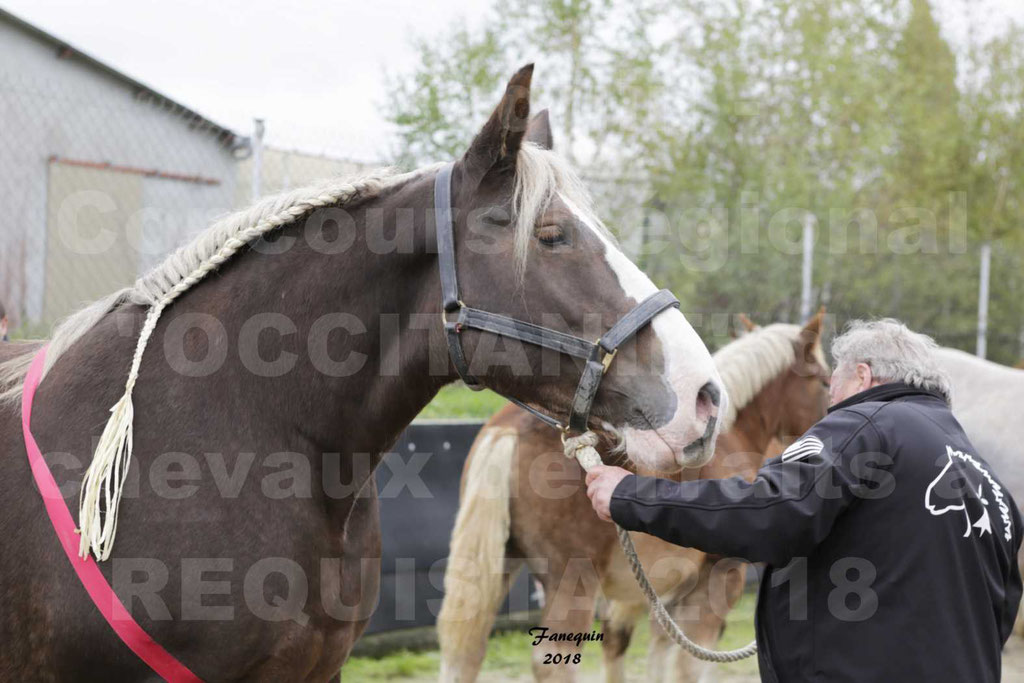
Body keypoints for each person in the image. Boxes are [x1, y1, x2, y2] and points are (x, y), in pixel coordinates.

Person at [586, 319, 1022, 682]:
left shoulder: (862, 424)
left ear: (863, 378)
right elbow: (1000, 614)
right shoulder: (990, 486)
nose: (829, 402)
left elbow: (769, 512)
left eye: (833, 384)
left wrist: (631, 494)